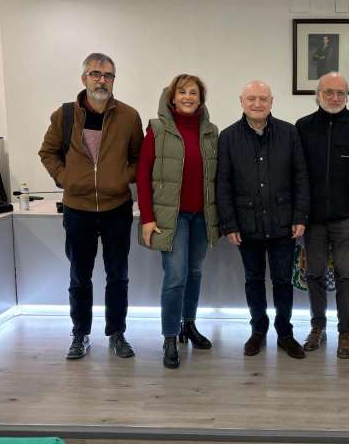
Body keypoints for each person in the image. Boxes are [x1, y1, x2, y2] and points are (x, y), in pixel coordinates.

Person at [39, 52, 143, 360]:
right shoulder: (65, 115)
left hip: (116, 208)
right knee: (79, 276)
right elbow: (48, 152)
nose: (102, 80)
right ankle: (80, 334)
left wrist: (121, 177)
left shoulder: (128, 116)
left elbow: (139, 158)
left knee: (118, 275)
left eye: (108, 75)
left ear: (113, 80)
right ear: (84, 78)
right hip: (78, 208)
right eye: (96, 74)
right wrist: (66, 178)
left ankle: (117, 333)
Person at [216, 80, 310, 359]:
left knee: (283, 281)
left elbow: (301, 176)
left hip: (283, 223)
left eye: (263, 99)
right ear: (241, 101)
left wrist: (300, 216)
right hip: (247, 225)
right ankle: (258, 330)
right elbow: (223, 184)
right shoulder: (228, 137)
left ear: (271, 102)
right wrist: (229, 223)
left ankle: (285, 333)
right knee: (253, 280)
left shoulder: (289, 133)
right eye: (251, 98)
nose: (257, 104)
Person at [136, 74, 219, 369]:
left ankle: (188, 325)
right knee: (175, 277)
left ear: (201, 98)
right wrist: (147, 218)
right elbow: (142, 175)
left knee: (194, 272)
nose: (187, 97)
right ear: (172, 97)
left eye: (193, 92)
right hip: (172, 217)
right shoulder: (157, 129)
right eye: (182, 92)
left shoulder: (210, 132)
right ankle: (169, 336)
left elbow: (216, 177)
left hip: (202, 216)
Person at [295, 72, 349, 359]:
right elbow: (297, 174)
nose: (335, 97)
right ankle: (317, 327)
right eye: (329, 92)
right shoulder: (303, 127)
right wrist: (299, 214)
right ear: (317, 95)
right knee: (314, 275)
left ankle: (346, 332)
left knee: (346, 277)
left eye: (341, 93)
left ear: (347, 96)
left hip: (346, 219)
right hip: (313, 219)